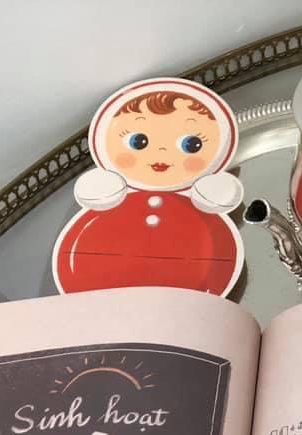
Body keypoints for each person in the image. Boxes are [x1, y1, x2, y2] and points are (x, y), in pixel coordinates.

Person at [53, 78, 245, 296]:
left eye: (191, 145)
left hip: (195, 282)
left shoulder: (203, 206)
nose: (162, 153)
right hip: (94, 280)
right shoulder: (108, 199)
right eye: (138, 142)